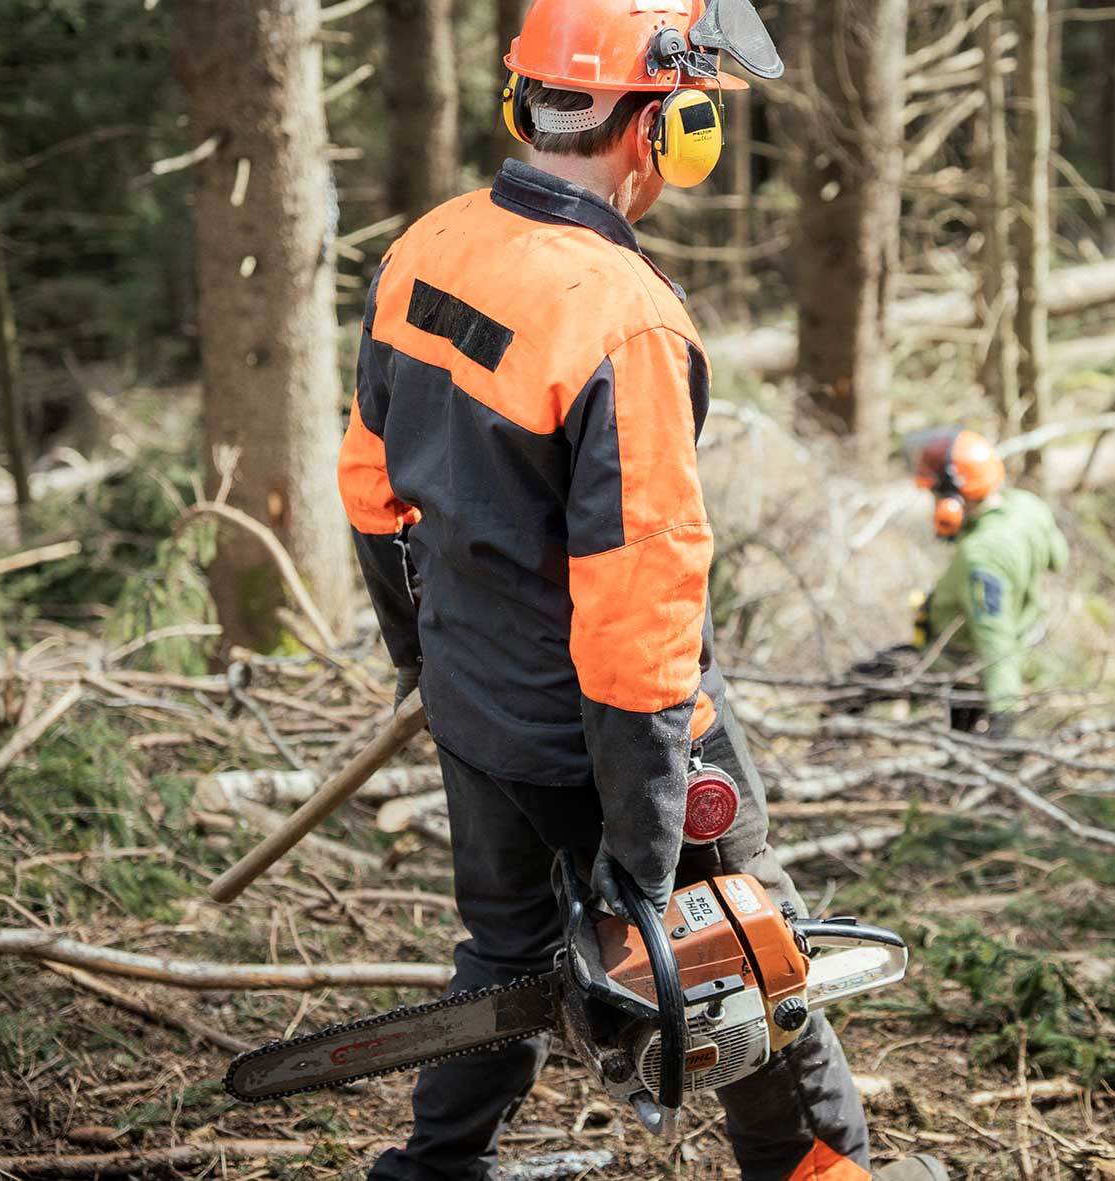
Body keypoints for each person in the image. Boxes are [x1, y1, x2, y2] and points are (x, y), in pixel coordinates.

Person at [336, 3, 942, 1179]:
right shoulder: (627, 320)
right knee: (744, 944)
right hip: (597, 722)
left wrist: (426, 661)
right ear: (663, 125)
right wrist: (647, 830)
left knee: (504, 956)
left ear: (531, 105)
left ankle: (432, 1167)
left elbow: (369, 488)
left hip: (474, 695)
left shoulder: (429, 246)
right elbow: (639, 602)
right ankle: (815, 1172)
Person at [905, 428, 1069, 734]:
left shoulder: (981, 556)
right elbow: (1059, 558)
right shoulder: (1027, 506)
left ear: (952, 498)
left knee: (856, 688)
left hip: (960, 664)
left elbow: (995, 640)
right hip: (1021, 635)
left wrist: (1003, 716)